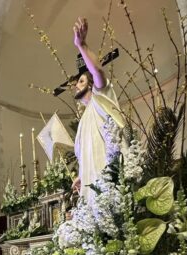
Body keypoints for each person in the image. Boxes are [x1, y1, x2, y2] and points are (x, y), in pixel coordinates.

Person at [70, 17, 125, 199]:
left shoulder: (100, 97)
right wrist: (81, 176)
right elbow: (87, 156)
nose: (76, 85)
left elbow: (98, 71)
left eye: (81, 81)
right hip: (91, 189)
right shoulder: (83, 120)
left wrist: (82, 45)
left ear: (92, 84)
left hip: (109, 185)